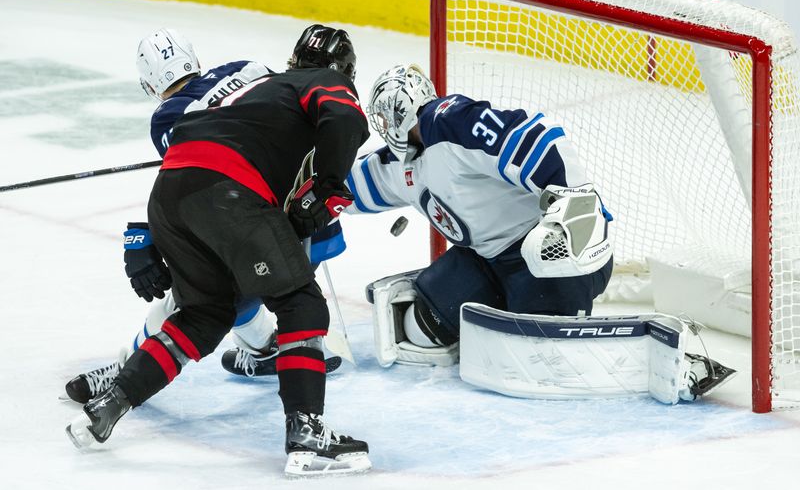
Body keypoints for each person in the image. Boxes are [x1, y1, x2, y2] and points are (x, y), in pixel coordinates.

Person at [66, 26, 372, 477]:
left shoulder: (264, 85)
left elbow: (195, 151)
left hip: (169, 199)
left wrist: (144, 234)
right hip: (230, 193)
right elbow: (346, 121)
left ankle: (107, 408)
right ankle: (306, 434)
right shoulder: (319, 81)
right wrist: (325, 188)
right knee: (299, 302)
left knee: (203, 316)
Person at [346, 64, 734, 403]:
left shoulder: (449, 121)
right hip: (488, 260)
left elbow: (537, 136)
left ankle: (674, 360)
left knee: (545, 356)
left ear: (396, 112)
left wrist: (572, 202)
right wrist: (300, 194)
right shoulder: (401, 163)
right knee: (421, 328)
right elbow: (351, 185)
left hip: (551, 252)